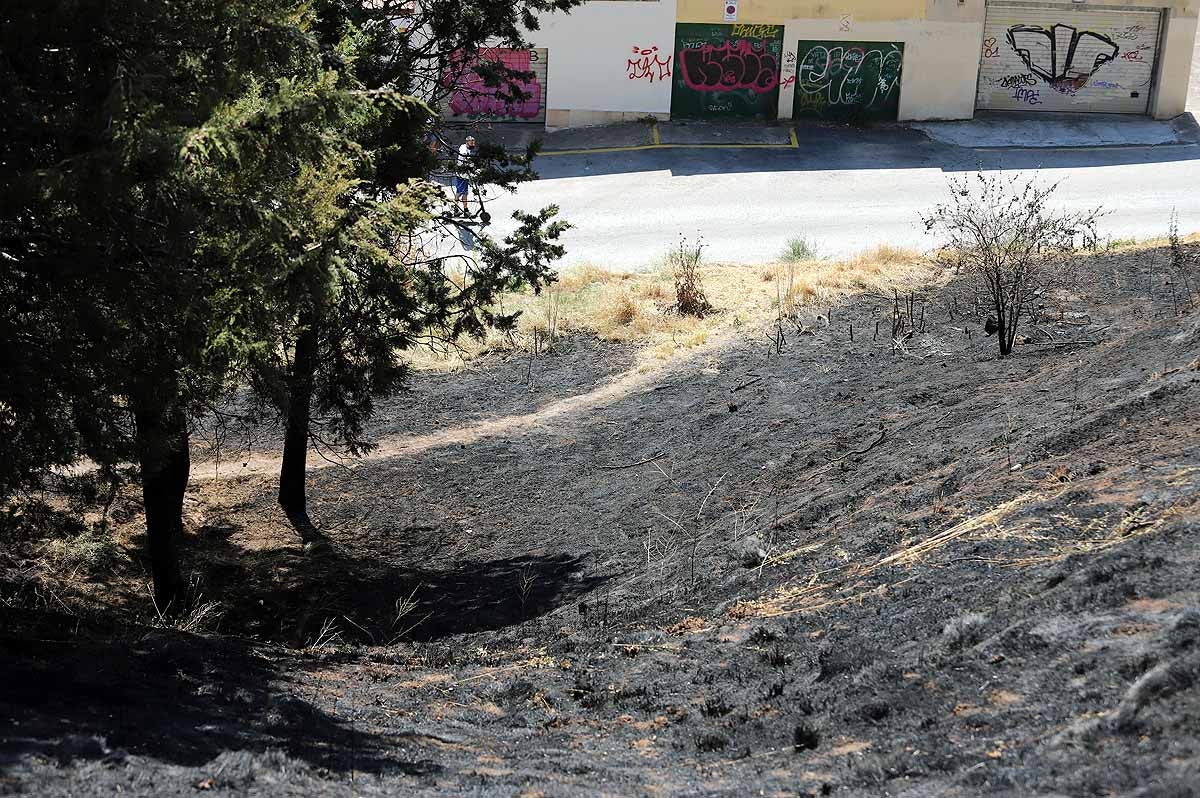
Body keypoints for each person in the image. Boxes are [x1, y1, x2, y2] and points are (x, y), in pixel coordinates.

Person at [454, 135, 477, 216]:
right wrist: (471, 165)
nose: (473, 144)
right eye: (471, 143)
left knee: (461, 192)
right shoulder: (464, 150)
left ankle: (459, 210)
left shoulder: (465, 147)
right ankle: (463, 210)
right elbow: (464, 157)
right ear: (467, 142)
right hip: (462, 174)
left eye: (473, 143)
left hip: (463, 174)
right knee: (462, 193)